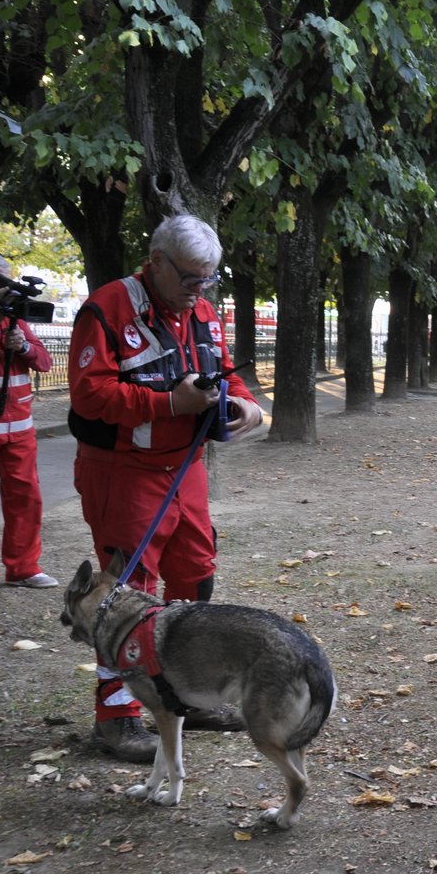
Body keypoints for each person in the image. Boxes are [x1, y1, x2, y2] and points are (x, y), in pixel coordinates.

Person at [68, 215, 265, 761]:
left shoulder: (200, 309)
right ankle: (116, 719)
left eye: (208, 279)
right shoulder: (107, 309)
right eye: (190, 279)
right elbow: (89, 396)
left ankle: (185, 694)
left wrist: (245, 402)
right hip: (122, 471)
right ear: (156, 261)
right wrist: (169, 404)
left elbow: (224, 371)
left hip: (185, 469)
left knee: (196, 573)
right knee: (127, 592)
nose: (200, 291)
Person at [0, 251, 57, 595]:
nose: (3, 289)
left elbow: (45, 363)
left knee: (26, 499)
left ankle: (23, 568)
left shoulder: (15, 320)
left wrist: (23, 347)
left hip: (19, 429)